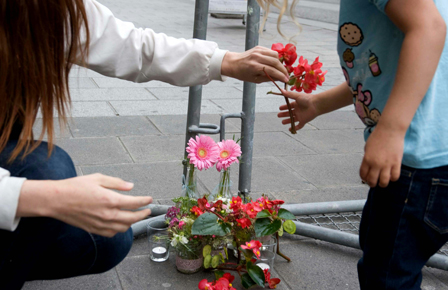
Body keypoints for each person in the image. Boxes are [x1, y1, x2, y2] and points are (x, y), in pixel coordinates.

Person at [0, 0, 289, 288]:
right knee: (51, 169)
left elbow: (131, 46)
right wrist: (38, 196)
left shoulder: (50, 10)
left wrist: (225, 61)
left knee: (109, 240)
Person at [274, 0, 448, 289]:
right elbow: (379, 68)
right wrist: (318, 103)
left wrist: (391, 130)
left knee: (387, 276)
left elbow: (429, 29)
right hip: (433, 159)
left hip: (418, 165)